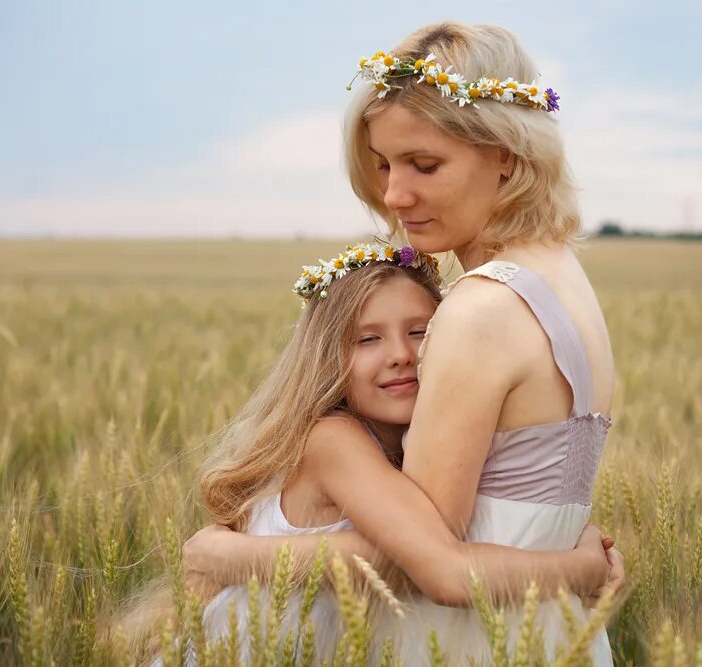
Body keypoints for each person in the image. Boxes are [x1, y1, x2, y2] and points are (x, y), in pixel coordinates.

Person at [183, 21, 621, 665]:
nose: (393, 195)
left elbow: (421, 559)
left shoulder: (482, 309)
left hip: (461, 639)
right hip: (553, 636)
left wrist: (229, 554)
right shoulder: (563, 278)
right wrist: (572, 547)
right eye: (384, 164)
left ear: (506, 151)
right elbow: (523, 502)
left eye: (424, 164)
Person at [162, 242, 617, 665]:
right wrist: (579, 567)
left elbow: (482, 518)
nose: (400, 354)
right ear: (326, 357)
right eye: (367, 339)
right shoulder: (332, 440)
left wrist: (568, 526)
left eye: (420, 332)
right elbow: (427, 564)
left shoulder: (420, 445)